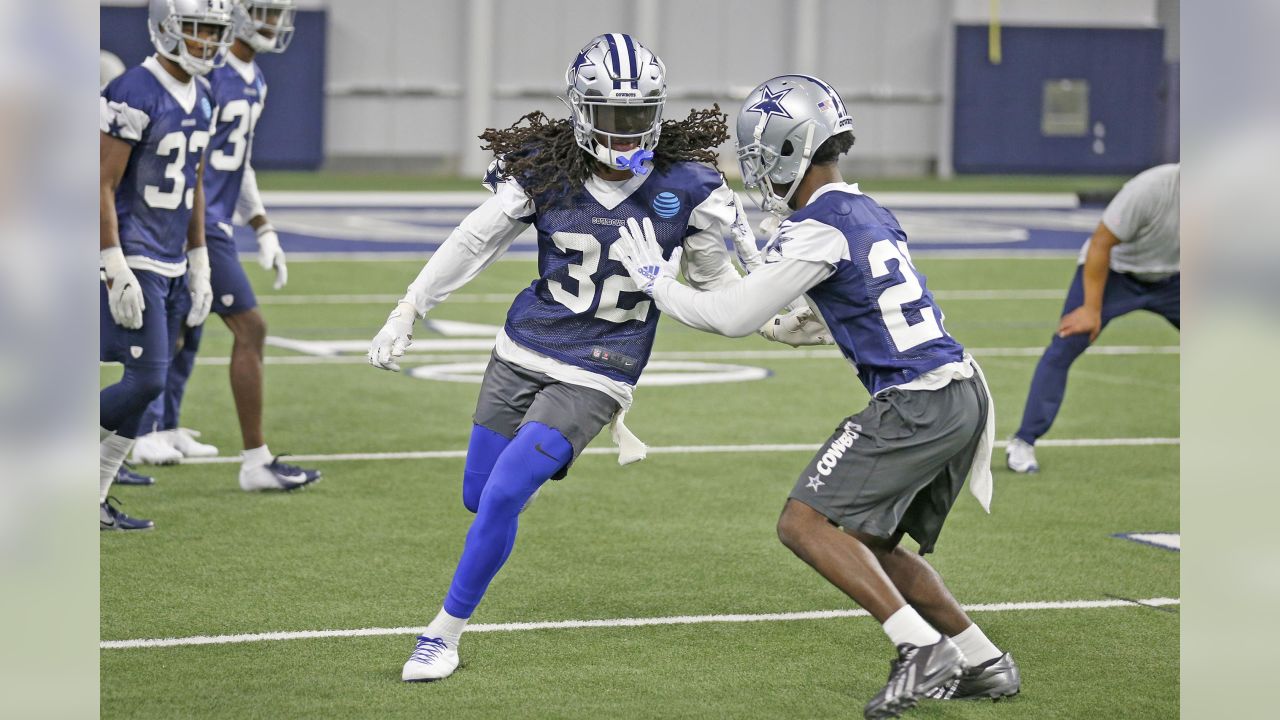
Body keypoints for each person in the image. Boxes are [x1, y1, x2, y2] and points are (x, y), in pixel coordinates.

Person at [367, 33, 814, 682]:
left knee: (502, 498)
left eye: (639, 117)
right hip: (521, 349)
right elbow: (473, 241)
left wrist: (769, 322)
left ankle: (441, 635)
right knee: (478, 496)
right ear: (581, 111)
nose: (628, 134)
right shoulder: (546, 170)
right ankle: (537, 457)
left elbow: (718, 285)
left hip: (600, 367)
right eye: (613, 117)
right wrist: (410, 306)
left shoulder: (687, 188)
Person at [612, 75, 1019, 718]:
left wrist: (659, 282)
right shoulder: (866, 212)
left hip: (919, 399)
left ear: (782, 148)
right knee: (873, 541)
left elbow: (732, 318)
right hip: (959, 389)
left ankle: (920, 648)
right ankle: (981, 658)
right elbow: (821, 317)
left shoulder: (817, 228)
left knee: (802, 523)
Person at [130, 0, 320, 492]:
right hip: (193, 220)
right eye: (266, 13)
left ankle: (165, 425)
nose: (273, 24)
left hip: (215, 221)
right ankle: (164, 435)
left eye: (278, 15)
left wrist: (262, 225)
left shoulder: (254, 78)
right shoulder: (210, 74)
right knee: (244, 326)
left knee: (189, 327)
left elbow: (241, 161)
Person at [99, 0, 232, 529]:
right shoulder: (134, 88)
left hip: (173, 255)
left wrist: (198, 259)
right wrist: (112, 261)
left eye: (214, 32)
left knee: (147, 380)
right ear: (167, 28)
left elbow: (193, 182)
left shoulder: (201, 93)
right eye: (199, 30)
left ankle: (93, 496)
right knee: (147, 379)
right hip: (133, 252)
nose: (208, 42)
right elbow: (102, 182)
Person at [1006, 164, 1180, 473]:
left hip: (1175, 278)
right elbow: (1101, 243)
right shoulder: (1149, 189)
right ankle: (1023, 441)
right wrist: (1090, 309)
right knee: (1066, 344)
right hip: (1116, 273)